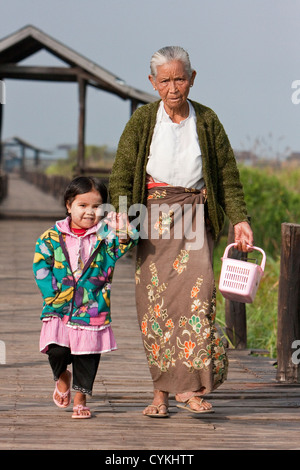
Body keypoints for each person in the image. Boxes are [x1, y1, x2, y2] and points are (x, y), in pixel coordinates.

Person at [109, 46, 253, 417]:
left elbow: (227, 177)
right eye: (165, 79)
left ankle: (190, 389)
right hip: (154, 216)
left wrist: (240, 218)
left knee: (197, 299)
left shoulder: (207, 120)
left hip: (194, 215)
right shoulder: (143, 120)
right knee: (156, 306)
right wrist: (123, 215)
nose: (173, 87)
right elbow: (123, 174)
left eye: (179, 78)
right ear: (153, 83)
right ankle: (160, 391)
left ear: (192, 78)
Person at [33, 176, 137, 419]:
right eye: (82, 205)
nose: (90, 212)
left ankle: (80, 399)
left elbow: (127, 243)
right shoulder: (51, 237)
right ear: (69, 205)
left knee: (86, 356)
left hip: (92, 308)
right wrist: (53, 295)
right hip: (58, 306)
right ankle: (62, 377)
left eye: (97, 206)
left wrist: (124, 229)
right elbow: (41, 265)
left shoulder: (105, 237)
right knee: (56, 350)